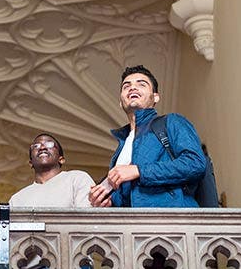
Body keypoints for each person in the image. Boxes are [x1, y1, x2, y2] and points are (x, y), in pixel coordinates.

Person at [89, 65, 210, 207]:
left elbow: (195, 163)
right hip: (134, 225)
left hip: (173, 220)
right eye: (126, 86)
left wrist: (139, 171)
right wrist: (109, 201)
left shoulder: (171, 122)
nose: (132, 88)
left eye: (141, 84)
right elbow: (130, 196)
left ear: (155, 97)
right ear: (120, 102)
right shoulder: (121, 148)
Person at [9, 133, 94, 207]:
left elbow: (88, 220)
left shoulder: (77, 179)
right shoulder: (17, 199)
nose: (42, 147)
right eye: (36, 146)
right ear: (31, 163)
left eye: (49, 144)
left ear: (61, 159)